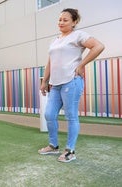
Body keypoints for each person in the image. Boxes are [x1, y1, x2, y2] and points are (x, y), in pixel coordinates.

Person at [38, 8, 104, 162]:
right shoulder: (55, 40)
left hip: (71, 81)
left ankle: (70, 151)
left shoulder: (78, 35)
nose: (61, 22)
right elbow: (50, 62)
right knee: (49, 114)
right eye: (59, 19)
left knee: (71, 116)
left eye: (65, 20)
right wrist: (44, 81)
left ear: (74, 22)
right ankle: (53, 146)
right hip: (55, 84)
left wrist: (81, 65)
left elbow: (99, 46)